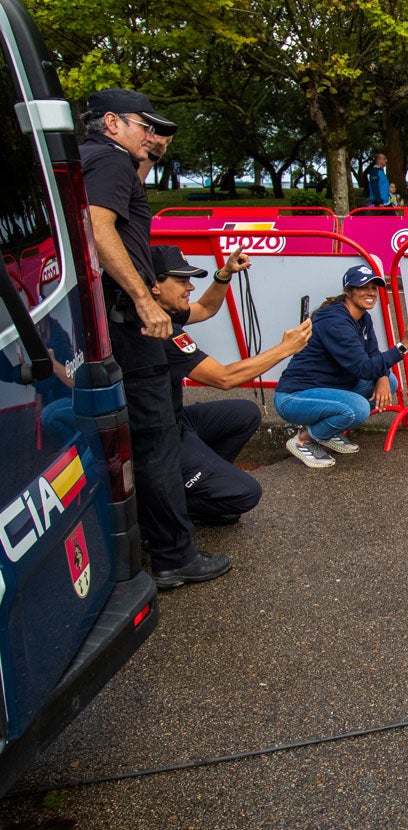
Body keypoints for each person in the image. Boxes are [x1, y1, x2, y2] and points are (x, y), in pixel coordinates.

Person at [81, 87, 232, 589]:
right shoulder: (109, 163)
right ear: (110, 123)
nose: (153, 136)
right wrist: (145, 301)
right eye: (144, 125)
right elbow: (100, 229)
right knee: (155, 441)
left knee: (141, 442)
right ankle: (173, 556)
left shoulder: (98, 161)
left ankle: (153, 540)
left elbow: (123, 211)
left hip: (114, 322)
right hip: (131, 323)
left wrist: (150, 147)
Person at [149, 244, 313, 524]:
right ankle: (160, 508)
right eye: (181, 281)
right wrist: (285, 349)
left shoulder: (161, 310)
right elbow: (224, 377)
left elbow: (205, 308)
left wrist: (224, 274)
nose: (189, 287)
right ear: (154, 286)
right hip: (160, 435)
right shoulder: (157, 329)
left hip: (176, 418)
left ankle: (205, 481)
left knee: (244, 414)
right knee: (244, 495)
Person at [275, 264, 408, 468]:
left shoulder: (363, 318)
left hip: (327, 386)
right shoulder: (335, 322)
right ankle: (304, 440)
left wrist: (381, 377)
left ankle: (328, 431)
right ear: (348, 292)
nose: (371, 292)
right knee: (357, 409)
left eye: (374, 287)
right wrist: (403, 345)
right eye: (363, 287)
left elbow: (373, 356)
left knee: (389, 381)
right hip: (295, 397)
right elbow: (364, 368)